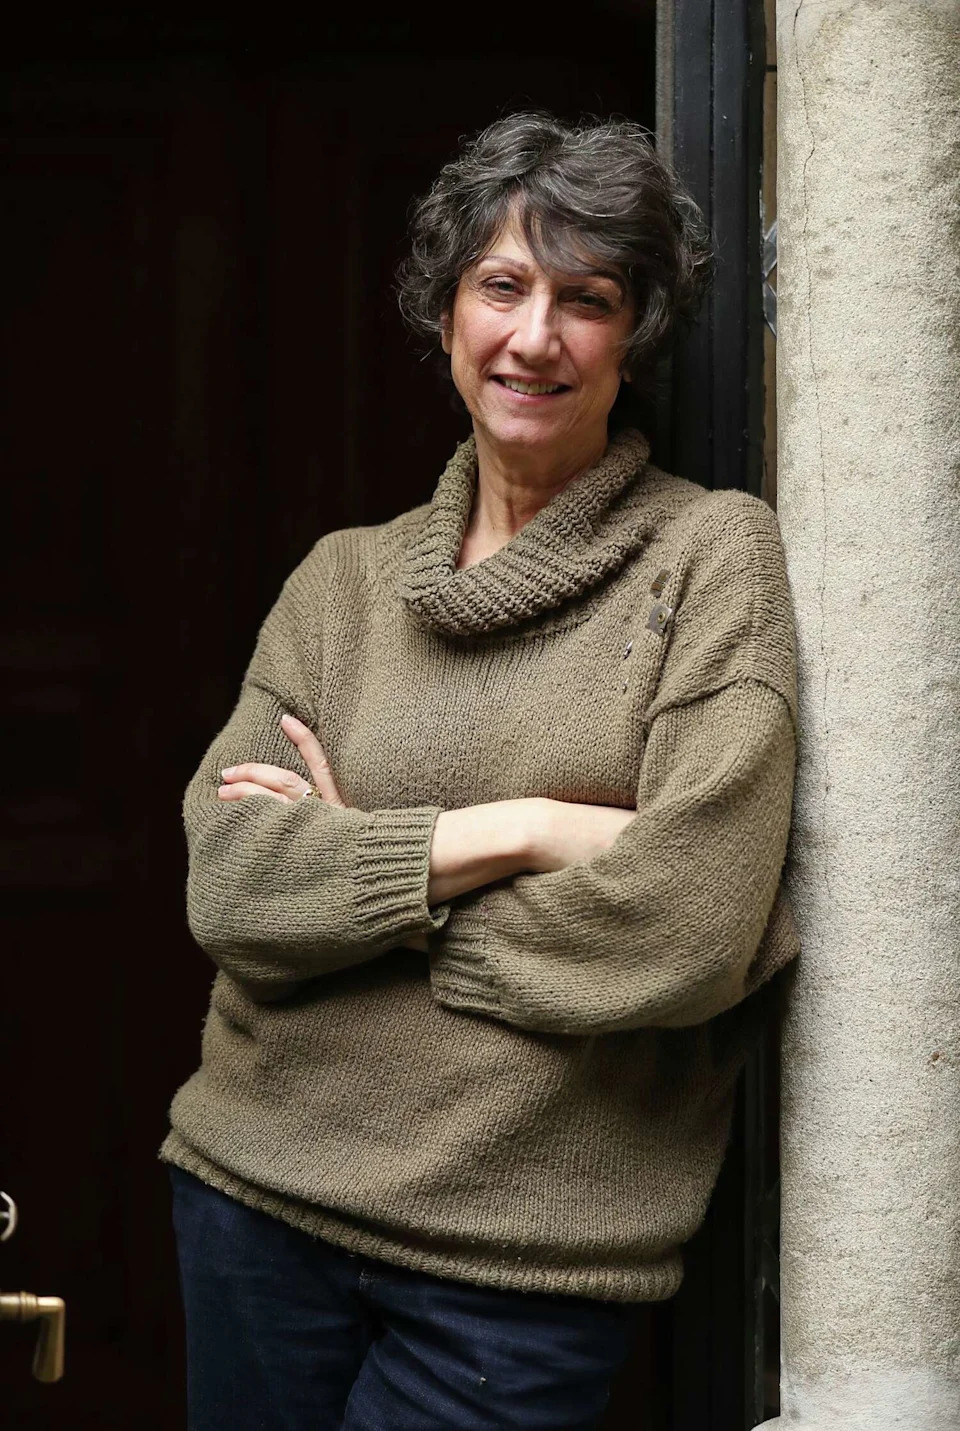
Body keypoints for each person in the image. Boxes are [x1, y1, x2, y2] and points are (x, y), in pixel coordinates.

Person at [161, 110, 800, 1431]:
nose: (535, 335)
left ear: (637, 337)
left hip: (519, 1277)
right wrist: (530, 829)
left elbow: (693, 917)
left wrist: (370, 878)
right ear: (445, 314)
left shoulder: (709, 560)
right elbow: (232, 887)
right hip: (253, 1205)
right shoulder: (341, 583)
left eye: (589, 299)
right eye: (502, 286)